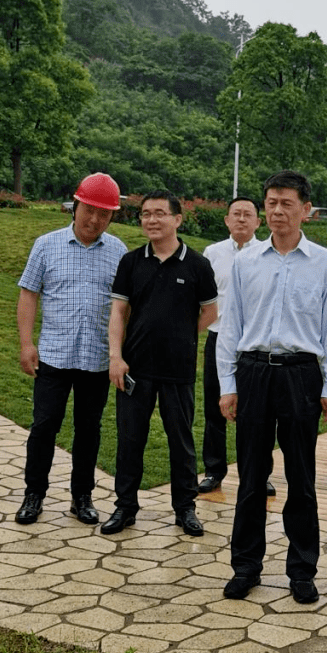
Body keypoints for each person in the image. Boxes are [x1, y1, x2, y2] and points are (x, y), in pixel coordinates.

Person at [217, 171, 327, 603]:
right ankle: (246, 566)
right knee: (252, 476)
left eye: (286, 203)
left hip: (300, 375)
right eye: (271, 202)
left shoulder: (324, 262)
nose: (276, 210)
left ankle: (302, 570)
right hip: (253, 373)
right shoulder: (246, 263)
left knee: (301, 476)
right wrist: (227, 384)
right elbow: (230, 326)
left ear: (306, 210)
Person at [100, 193, 217, 537]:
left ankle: (185, 508)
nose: (152, 220)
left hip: (177, 371)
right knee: (129, 440)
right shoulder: (131, 262)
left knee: (181, 443)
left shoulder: (197, 264)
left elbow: (210, 313)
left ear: (177, 219)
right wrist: (116, 357)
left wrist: (180, 333)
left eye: (160, 214)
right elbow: (119, 312)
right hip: (134, 369)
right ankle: (125, 507)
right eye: (145, 214)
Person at [14, 173, 126, 526]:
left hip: (96, 359)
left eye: (104, 214)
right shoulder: (46, 244)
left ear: (112, 217)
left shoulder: (119, 252)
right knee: (44, 426)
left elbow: (124, 308)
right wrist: (26, 343)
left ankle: (82, 496)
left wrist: (117, 353)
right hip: (54, 355)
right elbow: (28, 293)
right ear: (75, 205)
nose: (94, 220)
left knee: (88, 429)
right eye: (89, 210)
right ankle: (34, 494)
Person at [197, 197, 267, 495]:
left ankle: (258, 475)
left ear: (257, 222)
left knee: (257, 413)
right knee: (216, 407)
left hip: (252, 345)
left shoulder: (267, 254)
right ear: (226, 220)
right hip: (218, 340)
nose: (241, 219)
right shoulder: (212, 253)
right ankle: (214, 470)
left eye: (247, 214)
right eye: (235, 214)